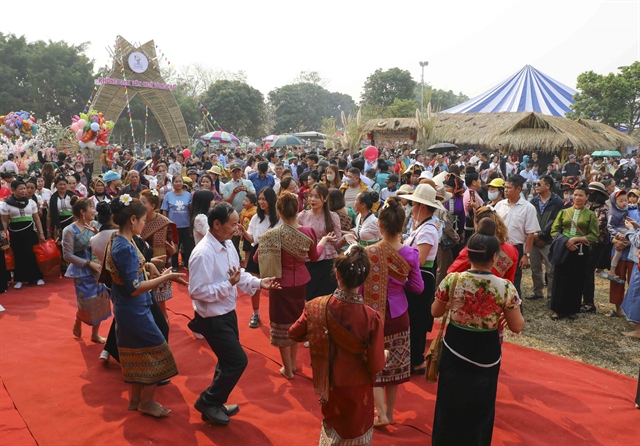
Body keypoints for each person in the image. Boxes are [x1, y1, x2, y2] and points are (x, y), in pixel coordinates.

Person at [432, 218, 524, 446]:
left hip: (455, 346)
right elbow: (517, 326)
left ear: (468, 253)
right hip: (487, 350)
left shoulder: (452, 280)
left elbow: (435, 312)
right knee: (481, 406)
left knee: (449, 401)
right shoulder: (505, 288)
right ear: (494, 256)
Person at [188, 202, 279, 425]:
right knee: (237, 361)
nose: (238, 228)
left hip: (227, 312)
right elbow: (197, 292)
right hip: (212, 318)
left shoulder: (227, 243)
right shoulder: (202, 254)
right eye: (233, 224)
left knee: (227, 361)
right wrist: (228, 284)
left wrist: (258, 282)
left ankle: (215, 403)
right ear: (216, 224)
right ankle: (208, 401)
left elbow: (238, 274)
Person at [289, 245, 386, 446]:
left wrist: (320, 331)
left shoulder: (316, 306)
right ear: (364, 279)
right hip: (358, 389)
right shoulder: (371, 317)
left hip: (329, 383)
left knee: (332, 428)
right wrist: (384, 354)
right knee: (355, 433)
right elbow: (376, 365)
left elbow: (294, 333)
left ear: (337, 274)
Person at [104, 196, 186, 416]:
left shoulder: (119, 238)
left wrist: (149, 264)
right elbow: (134, 287)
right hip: (134, 309)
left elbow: (131, 272)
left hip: (129, 307)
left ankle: (136, 400)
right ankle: (146, 402)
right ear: (132, 220)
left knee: (137, 354)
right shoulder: (125, 247)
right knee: (159, 353)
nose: (144, 224)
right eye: (142, 220)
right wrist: (166, 278)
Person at [256, 192, 336, 379]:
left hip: (279, 283)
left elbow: (256, 258)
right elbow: (315, 256)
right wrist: (323, 241)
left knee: (282, 325)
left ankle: (288, 368)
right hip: (300, 281)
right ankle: (292, 364)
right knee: (295, 323)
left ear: (278, 211)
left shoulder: (272, 235)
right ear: (298, 209)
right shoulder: (308, 231)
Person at [361, 197, 424, 427]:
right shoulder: (411, 254)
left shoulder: (368, 253)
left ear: (380, 225)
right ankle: (391, 412)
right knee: (395, 364)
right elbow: (418, 288)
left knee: (374, 361)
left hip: (373, 314)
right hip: (399, 314)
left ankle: (380, 414)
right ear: (402, 226)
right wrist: (399, 282)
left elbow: (359, 287)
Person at [402, 184, 444, 374]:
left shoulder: (427, 230)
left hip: (421, 277)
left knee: (417, 320)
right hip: (417, 276)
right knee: (413, 318)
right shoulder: (422, 226)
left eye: (415, 204)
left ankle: (417, 360)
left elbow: (419, 259)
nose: (412, 208)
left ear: (423, 207)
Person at [62, 196, 110, 342]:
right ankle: (78, 318)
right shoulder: (69, 230)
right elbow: (67, 255)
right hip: (82, 270)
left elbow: (104, 245)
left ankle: (95, 334)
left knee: (101, 300)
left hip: (99, 269)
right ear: (83, 212)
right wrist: (88, 263)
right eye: (92, 208)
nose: (94, 211)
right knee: (87, 302)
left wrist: (98, 234)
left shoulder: (96, 225)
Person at [549, 185, 599, 320]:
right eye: (575, 195)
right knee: (560, 278)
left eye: (580, 195)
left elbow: (594, 235)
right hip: (563, 250)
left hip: (581, 252)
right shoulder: (564, 212)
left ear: (587, 197)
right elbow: (554, 231)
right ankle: (557, 309)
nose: (577, 198)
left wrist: (577, 239)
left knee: (576, 279)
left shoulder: (590, 215)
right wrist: (566, 242)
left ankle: (572, 309)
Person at [238, 187, 281, 329]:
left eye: (264, 199)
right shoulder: (256, 218)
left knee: (275, 286)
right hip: (257, 251)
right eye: (260, 199)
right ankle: (255, 313)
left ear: (271, 200)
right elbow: (251, 239)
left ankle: (277, 316)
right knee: (255, 285)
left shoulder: (280, 217)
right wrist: (243, 232)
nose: (261, 202)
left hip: (274, 254)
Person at [495, 174, 541, 300]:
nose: (505, 190)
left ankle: (514, 309)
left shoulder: (528, 208)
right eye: (505, 187)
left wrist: (526, 255)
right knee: (497, 278)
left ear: (519, 189)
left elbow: (530, 233)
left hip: (516, 248)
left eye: (509, 188)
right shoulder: (499, 205)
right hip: (499, 247)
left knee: (513, 281)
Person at [297, 184, 342, 301]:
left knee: (328, 299)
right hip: (309, 261)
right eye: (310, 196)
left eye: (317, 196)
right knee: (310, 298)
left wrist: (345, 239)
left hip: (328, 262)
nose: (312, 199)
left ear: (325, 198)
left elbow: (336, 245)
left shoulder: (333, 216)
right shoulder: (302, 216)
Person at [0, 179, 46, 289]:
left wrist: (41, 233)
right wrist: (4, 236)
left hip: (30, 232)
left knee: (33, 254)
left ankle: (37, 277)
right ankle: (20, 278)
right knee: (19, 256)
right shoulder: (6, 204)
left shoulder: (31, 202)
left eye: (24, 188)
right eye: (20, 189)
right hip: (15, 233)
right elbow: (5, 221)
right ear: (13, 190)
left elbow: (37, 219)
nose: (23, 191)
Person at [140, 189, 178, 319]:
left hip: (159, 267)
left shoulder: (164, 223)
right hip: (140, 266)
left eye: (143, 202)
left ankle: (163, 324)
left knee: (159, 303)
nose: (140, 205)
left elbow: (172, 247)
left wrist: (173, 252)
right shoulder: (135, 221)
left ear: (153, 206)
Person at [527, 175, 565, 300]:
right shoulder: (533, 201)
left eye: (538, 184)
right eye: (535, 184)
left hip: (549, 241)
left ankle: (550, 295)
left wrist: (541, 236)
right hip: (534, 239)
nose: (535, 187)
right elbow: (530, 219)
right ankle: (538, 292)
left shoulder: (557, 201)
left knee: (551, 270)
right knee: (535, 268)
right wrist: (535, 236)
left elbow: (555, 222)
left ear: (547, 186)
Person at [161, 175, 193, 271]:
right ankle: (174, 265)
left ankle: (187, 263)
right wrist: (165, 223)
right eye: (176, 181)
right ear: (172, 183)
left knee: (187, 245)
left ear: (183, 183)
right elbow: (164, 211)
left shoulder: (188, 195)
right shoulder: (168, 195)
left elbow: (190, 210)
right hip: (173, 225)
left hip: (186, 225)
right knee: (174, 246)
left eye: (180, 181)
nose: (178, 183)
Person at [239, 192, 258, 266]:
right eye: (244, 200)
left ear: (252, 204)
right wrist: (241, 233)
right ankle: (246, 265)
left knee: (252, 250)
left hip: (252, 234)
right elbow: (241, 222)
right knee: (247, 250)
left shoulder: (255, 211)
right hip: (246, 234)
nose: (244, 202)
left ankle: (252, 265)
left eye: (246, 201)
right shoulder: (243, 211)